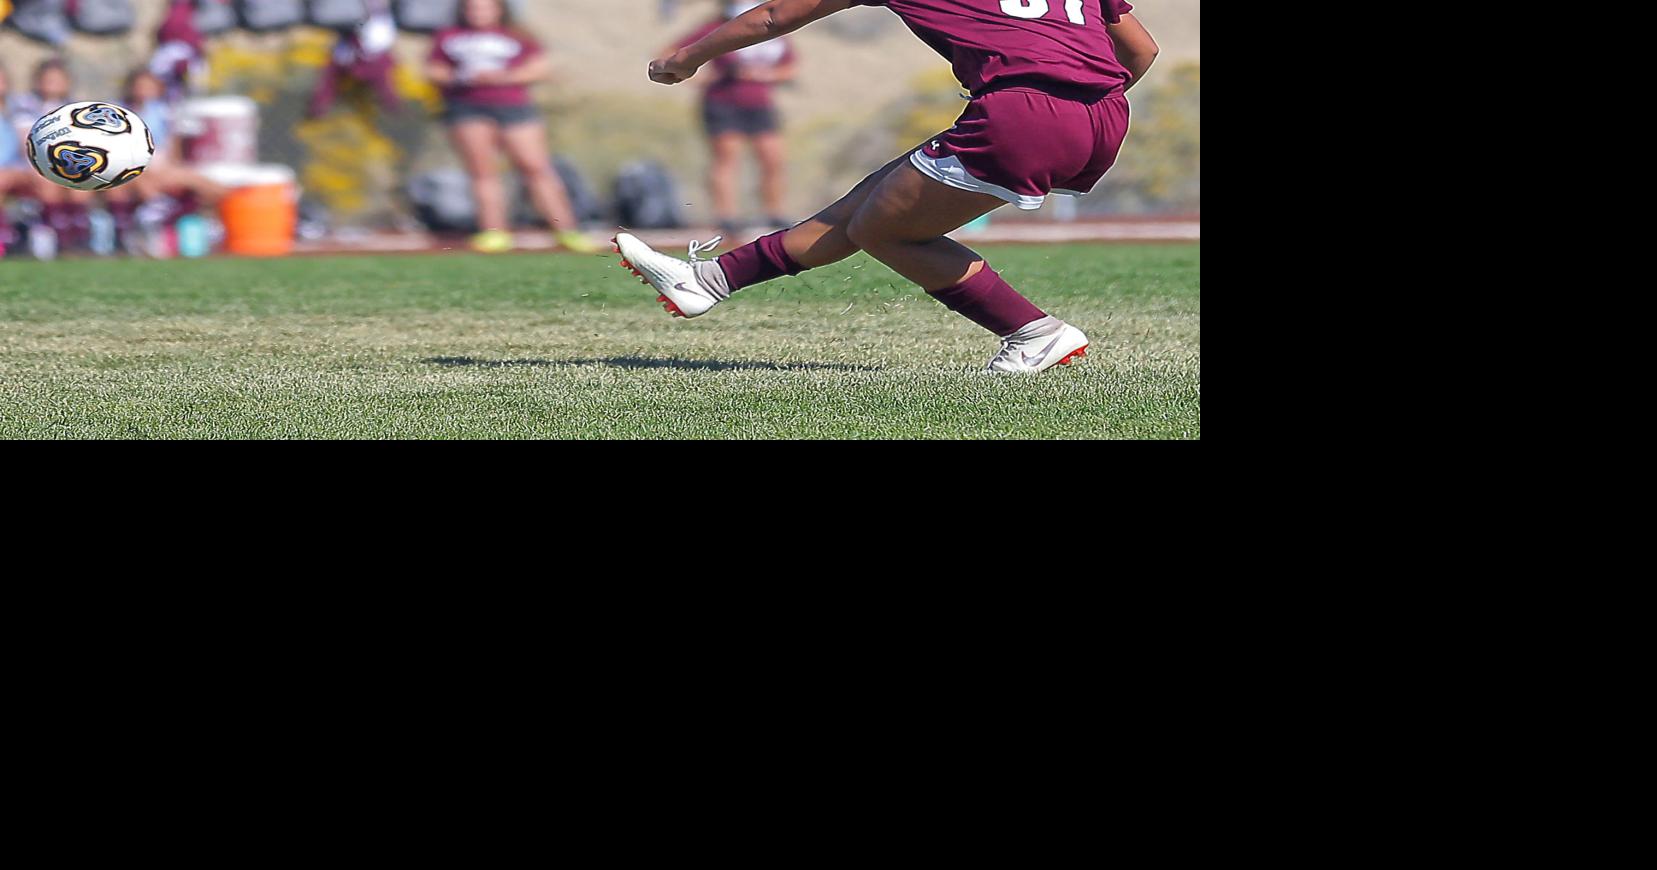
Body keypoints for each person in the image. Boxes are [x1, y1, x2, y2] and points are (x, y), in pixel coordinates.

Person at [617, 0, 1159, 374]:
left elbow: (775, 15)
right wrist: (1074, 106)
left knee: (882, 229)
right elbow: (1142, 51)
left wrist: (682, 59)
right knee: (871, 202)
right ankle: (708, 281)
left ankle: (1033, 331)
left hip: (1022, 111)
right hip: (1105, 111)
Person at [426, 0, 598, 254]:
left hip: (513, 108)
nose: (478, 13)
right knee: (483, 172)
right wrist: (462, 77)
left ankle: (567, 231)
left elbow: (539, 69)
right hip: (468, 108)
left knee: (536, 168)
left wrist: (502, 78)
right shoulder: (449, 37)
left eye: (485, 7)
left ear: (499, 9)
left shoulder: (517, 35)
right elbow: (433, 70)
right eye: (473, 8)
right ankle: (494, 233)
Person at [673, 0, 798, 236]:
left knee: (772, 159)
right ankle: (727, 217)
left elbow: (790, 67)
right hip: (723, 102)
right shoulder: (715, 28)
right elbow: (673, 52)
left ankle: (774, 213)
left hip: (760, 103)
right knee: (727, 158)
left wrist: (765, 74)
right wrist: (698, 79)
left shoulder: (773, 29)